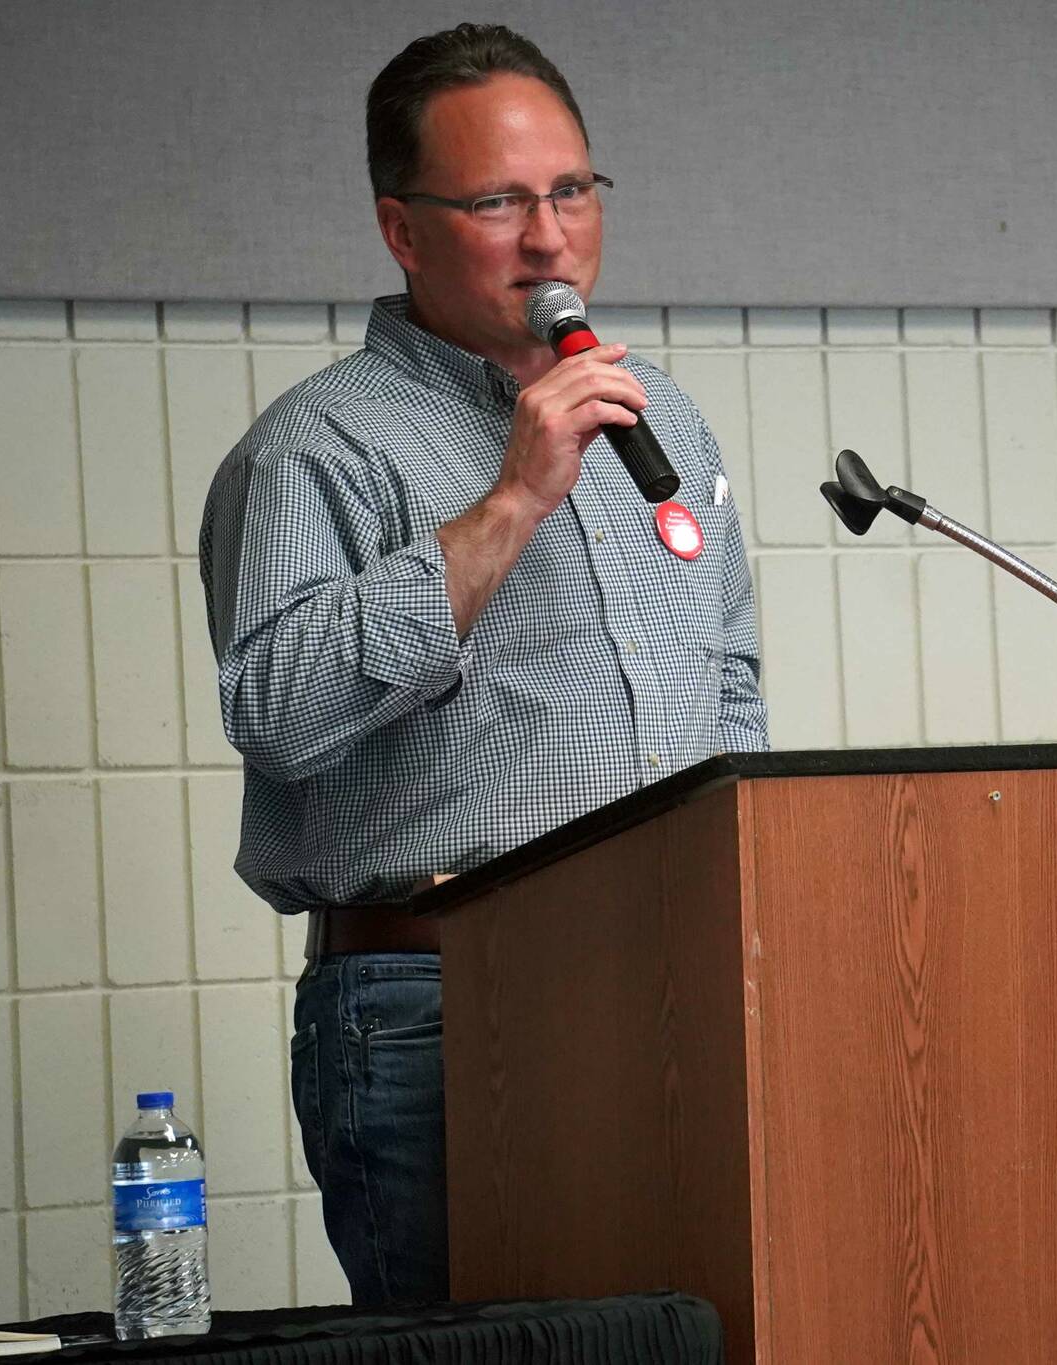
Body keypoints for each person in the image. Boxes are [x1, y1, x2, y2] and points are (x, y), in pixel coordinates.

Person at [197, 24, 768, 1303]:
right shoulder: (318, 448)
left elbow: (728, 684)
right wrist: (510, 500)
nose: (549, 237)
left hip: (673, 988)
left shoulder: (658, 415)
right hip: (432, 1009)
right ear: (403, 231)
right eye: (500, 200)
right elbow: (275, 715)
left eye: (571, 191)